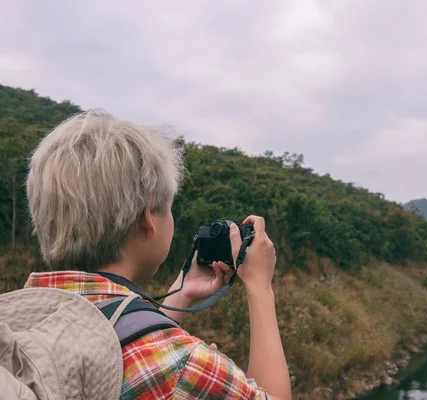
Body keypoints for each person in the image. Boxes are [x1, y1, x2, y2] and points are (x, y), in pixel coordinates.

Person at [24, 109, 291, 399]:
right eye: (169, 207)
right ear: (148, 219)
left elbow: (112, 342)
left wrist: (181, 294)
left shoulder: (22, 318)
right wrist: (260, 288)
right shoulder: (182, 368)